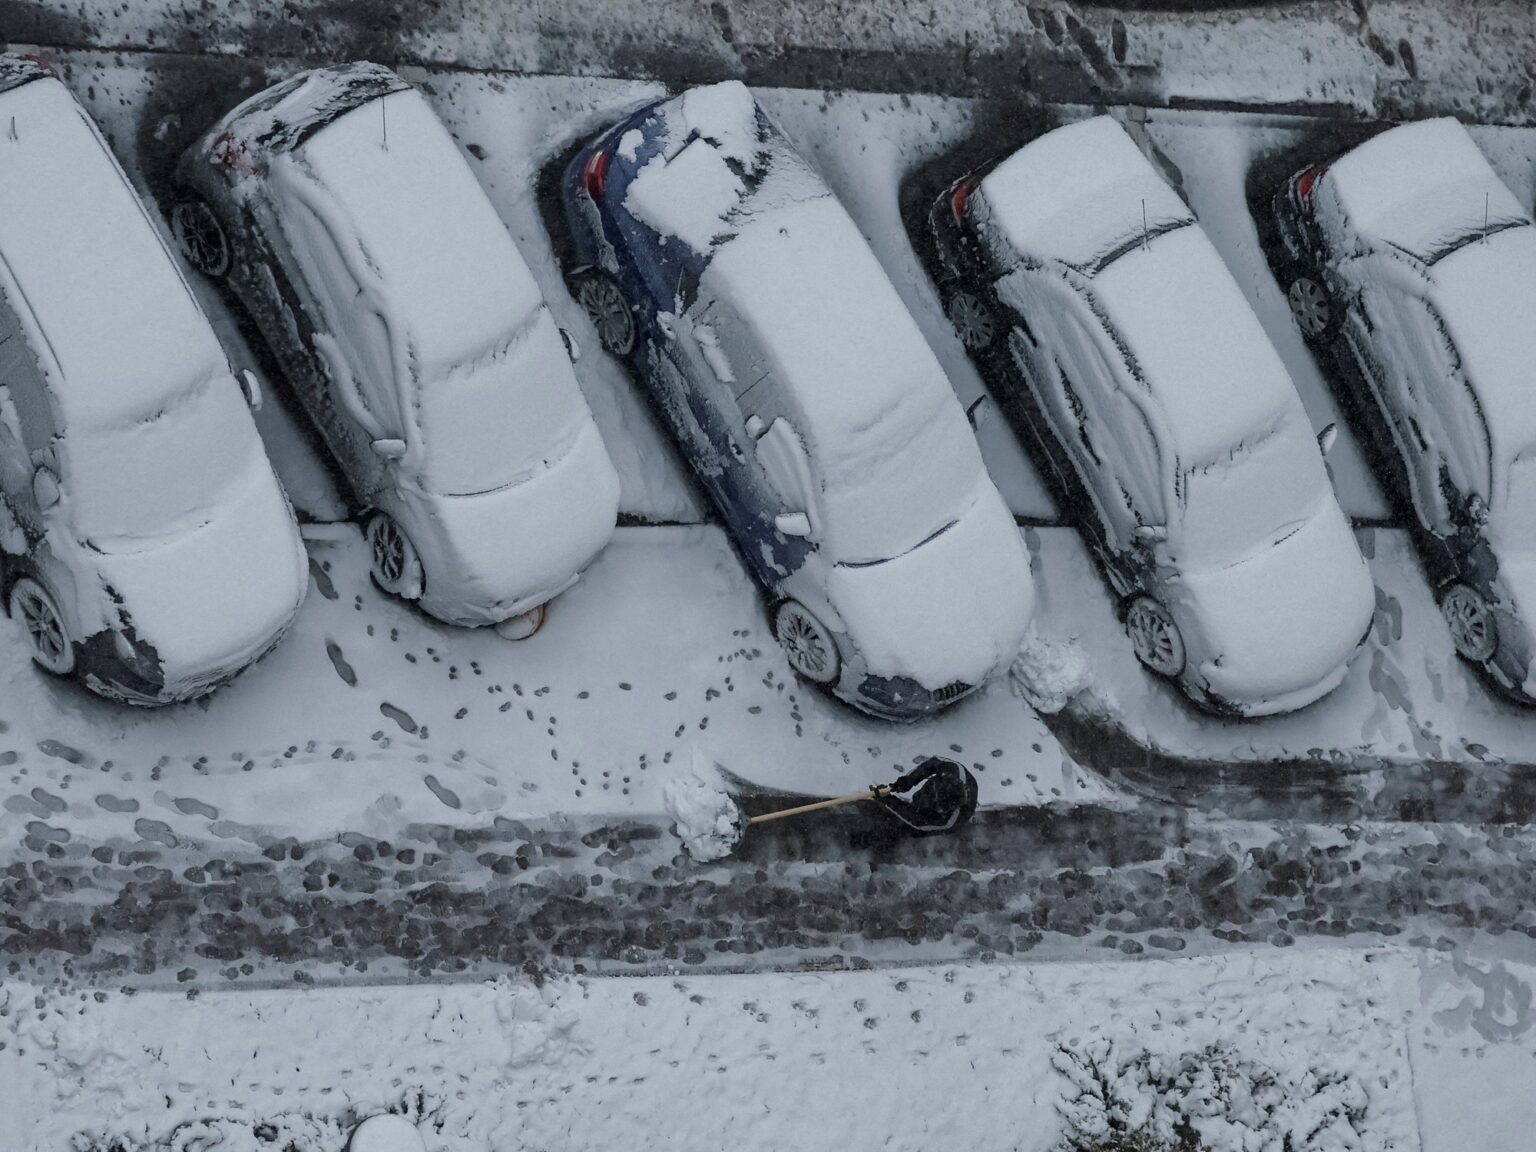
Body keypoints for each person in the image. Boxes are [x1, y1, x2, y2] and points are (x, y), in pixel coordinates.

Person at [870, 756, 978, 836]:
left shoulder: (949, 821)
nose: (933, 799)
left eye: (937, 803)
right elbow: (932, 764)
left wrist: (888, 800)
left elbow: (916, 820)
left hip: (932, 819)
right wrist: (906, 782)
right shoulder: (954, 769)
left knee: (909, 829)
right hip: (933, 790)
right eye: (935, 795)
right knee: (920, 798)